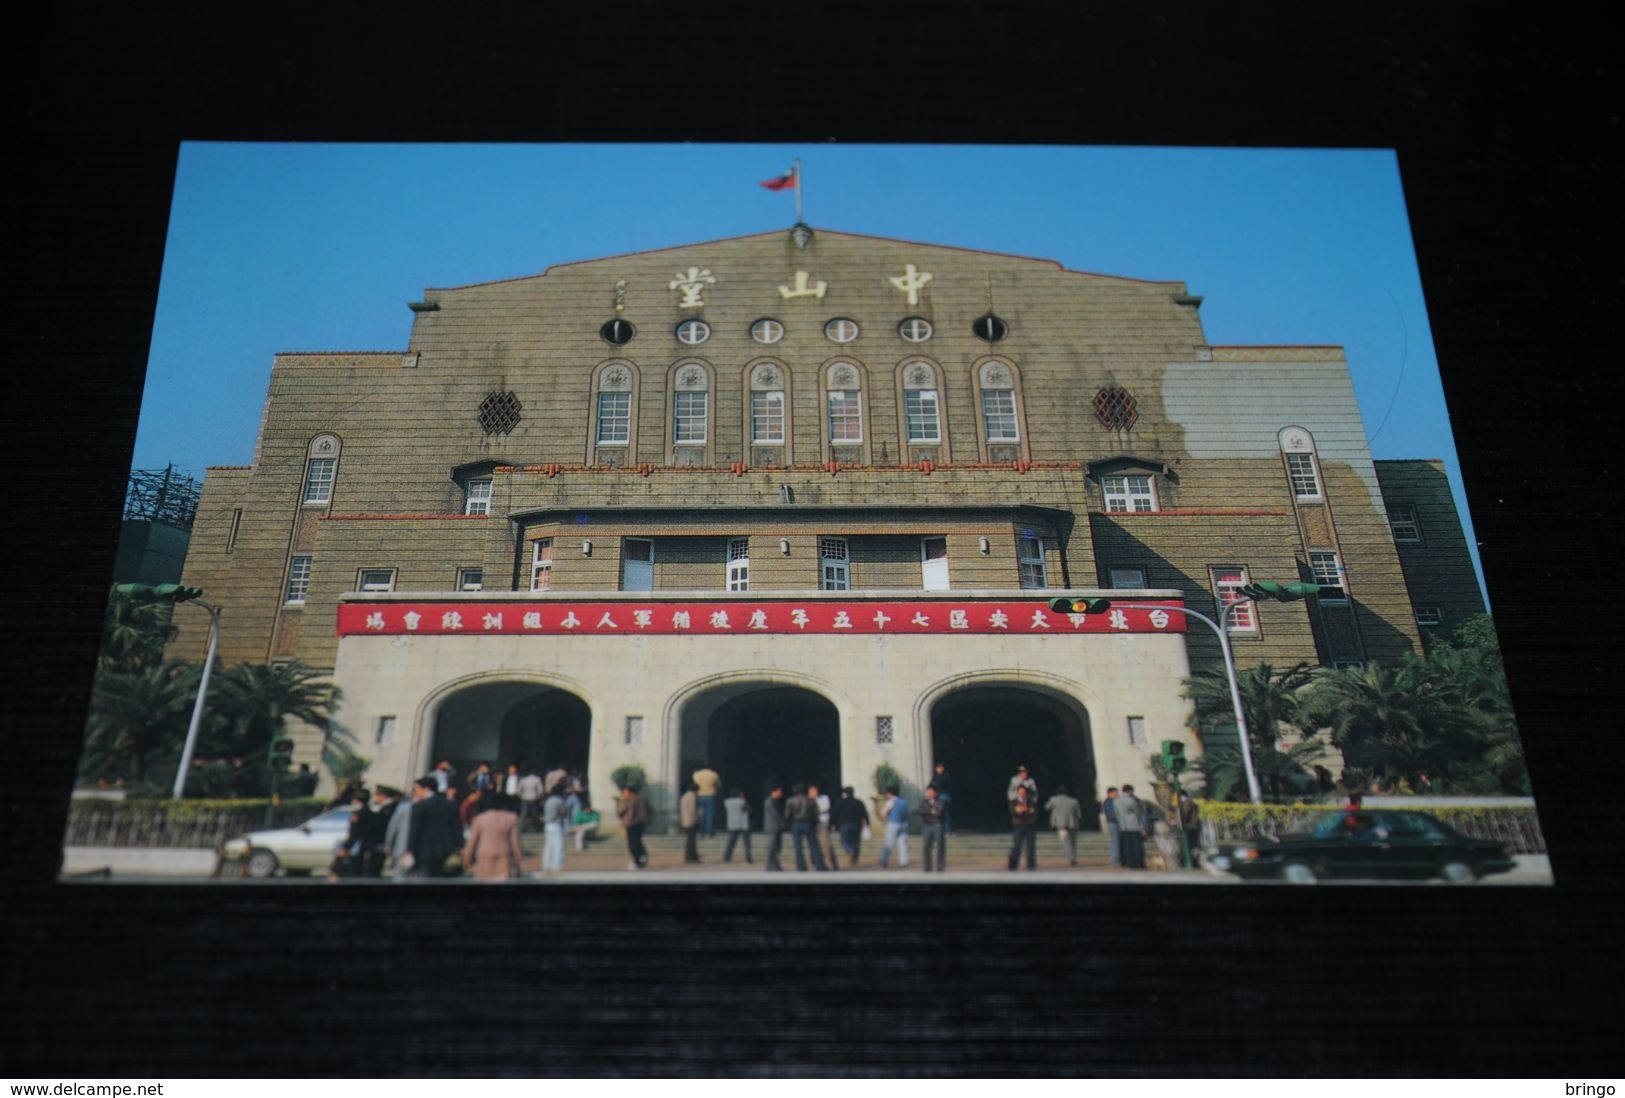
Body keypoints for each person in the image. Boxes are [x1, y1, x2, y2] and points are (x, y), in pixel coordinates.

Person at [406, 776, 464, 878]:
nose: (417, 792)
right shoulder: (448, 804)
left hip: (424, 851)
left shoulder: (419, 806)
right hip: (446, 849)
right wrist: (461, 845)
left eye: (418, 789)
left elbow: (415, 830)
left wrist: (410, 850)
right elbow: (456, 828)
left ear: (426, 789)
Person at [462, 791, 521, 881]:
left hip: (484, 855)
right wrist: (518, 860)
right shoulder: (511, 818)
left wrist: (467, 858)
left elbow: (472, 842)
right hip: (503, 856)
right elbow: (515, 842)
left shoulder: (480, 818)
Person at [356, 786, 400, 877]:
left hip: (380, 844)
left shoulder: (389, 808)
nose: (376, 797)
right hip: (377, 844)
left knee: (374, 871)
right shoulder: (383, 807)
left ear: (383, 796)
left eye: (377, 795)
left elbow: (381, 826)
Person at [784, 783, 826, 871]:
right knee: (814, 846)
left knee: (798, 847)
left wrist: (787, 825)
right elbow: (816, 814)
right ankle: (820, 865)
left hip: (796, 824)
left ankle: (801, 866)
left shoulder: (790, 800)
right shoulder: (810, 801)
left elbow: (787, 815)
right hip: (808, 823)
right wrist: (814, 824)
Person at [1045, 784, 1083, 867]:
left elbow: (1047, 807)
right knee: (1073, 842)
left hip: (1061, 824)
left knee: (1066, 842)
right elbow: (1079, 814)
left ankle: (1072, 859)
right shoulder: (1074, 801)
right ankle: (1074, 857)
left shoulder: (1054, 800)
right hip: (1073, 823)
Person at [384, 782, 415, 880]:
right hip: (422, 851)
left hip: (402, 848)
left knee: (400, 876)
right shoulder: (430, 807)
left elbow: (392, 828)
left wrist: (388, 845)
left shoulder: (403, 808)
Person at [616, 782, 650, 870]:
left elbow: (620, 811)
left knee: (632, 843)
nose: (624, 793)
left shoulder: (628, 800)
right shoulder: (643, 799)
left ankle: (636, 861)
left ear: (630, 792)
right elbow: (649, 810)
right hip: (641, 823)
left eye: (625, 791)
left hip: (631, 823)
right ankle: (643, 856)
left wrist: (619, 801)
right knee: (638, 841)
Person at [833, 786, 869, 867]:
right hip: (856, 824)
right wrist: (867, 823)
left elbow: (834, 813)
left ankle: (848, 851)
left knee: (844, 840)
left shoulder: (840, 802)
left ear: (845, 793)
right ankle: (854, 855)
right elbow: (864, 813)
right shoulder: (859, 802)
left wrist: (832, 824)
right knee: (856, 840)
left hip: (844, 824)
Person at [1114, 783, 1147, 870]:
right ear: (1130, 791)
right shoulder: (1131, 800)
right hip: (1133, 824)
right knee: (1136, 846)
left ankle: (1130, 863)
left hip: (1123, 825)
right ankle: (1138, 863)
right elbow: (1138, 811)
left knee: (1127, 846)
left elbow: (1116, 813)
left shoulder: (1116, 800)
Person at [1009, 785, 1039, 870]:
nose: (1022, 794)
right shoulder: (1013, 802)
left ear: (1026, 793)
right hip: (1018, 826)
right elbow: (1014, 812)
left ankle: (1031, 865)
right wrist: (1025, 810)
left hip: (1029, 825)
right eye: (1020, 792)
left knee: (1031, 846)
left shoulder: (1031, 802)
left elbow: (1033, 812)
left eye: (1024, 792)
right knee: (1017, 846)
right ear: (1018, 793)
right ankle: (1013, 865)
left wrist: (1024, 810)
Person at [918, 783, 947, 872]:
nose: (929, 793)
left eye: (931, 792)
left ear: (936, 793)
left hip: (937, 825)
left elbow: (939, 812)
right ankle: (927, 866)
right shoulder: (924, 802)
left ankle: (940, 866)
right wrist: (931, 811)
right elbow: (921, 811)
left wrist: (930, 812)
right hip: (927, 825)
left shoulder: (940, 801)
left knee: (940, 846)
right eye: (928, 792)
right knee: (926, 846)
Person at [541, 781, 568, 874]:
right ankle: (556, 867)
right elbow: (564, 811)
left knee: (548, 846)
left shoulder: (548, 800)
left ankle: (546, 866)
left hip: (547, 825)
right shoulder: (559, 800)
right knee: (558, 846)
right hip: (556, 825)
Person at [879, 785, 910, 869]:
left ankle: (884, 860)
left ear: (890, 793)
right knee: (902, 843)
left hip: (893, 823)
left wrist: (886, 816)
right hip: (904, 823)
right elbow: (907, 813)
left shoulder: (890, 801)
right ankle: (903, 862)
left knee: (889, 842)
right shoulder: (904, 801)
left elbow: (883, 813)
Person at [811, 783, 838, 872]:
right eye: (811, 791)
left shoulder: (824, 798)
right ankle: (816, 864)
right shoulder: (808, 800)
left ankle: (831, 863)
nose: (812, 793)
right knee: (814, 845)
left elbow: (824, 808)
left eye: (814, 791)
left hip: (823, 822)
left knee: (826, 844)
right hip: (812, 823)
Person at [722, 788, 753, 863]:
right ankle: (748, 857)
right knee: (747, 843)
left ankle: (727, 857)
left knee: (731, 842)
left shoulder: (726, 802)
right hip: (743, 824)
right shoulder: (742, 801)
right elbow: (750, 810)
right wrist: (743, 799)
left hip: (732, 824)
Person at [692, 761, 721, 839]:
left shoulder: (696, 775)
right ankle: (709, 831)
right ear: (710, 767)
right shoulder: (714, 774)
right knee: (710, 814)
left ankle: (701, 832)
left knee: (701, 814)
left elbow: (694, 784)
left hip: (700, 795)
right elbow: (719, 785)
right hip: (711, 795)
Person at [762, 783, 786, 872]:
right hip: (772, 827)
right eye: (779, 792)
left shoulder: (776, 801)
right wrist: (782, 821)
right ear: (774, 792)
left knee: (777, 847)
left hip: (777, 827)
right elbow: (775, 814)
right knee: (771, 847)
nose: (781, 794)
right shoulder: (769, 801)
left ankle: (775, 864)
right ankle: (769, 865)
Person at [1175, 790, 1201, 868]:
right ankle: (1194, 862)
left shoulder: (1187, 802)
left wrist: (1180, 822)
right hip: (1193, 826)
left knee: (1190, 845)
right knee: (1194, 845)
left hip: (1190, 827)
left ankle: (1192, 862)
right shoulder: (1190, 802)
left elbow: (1185, 814)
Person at [678, 783, 702, 864]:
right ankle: (691, 857)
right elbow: (692, 810)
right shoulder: (692, 797)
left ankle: (691, 856)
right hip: (691, 820)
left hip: (685, 820)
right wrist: (696, 819)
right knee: (691, 840)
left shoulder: (684, 796)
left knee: (689, 840)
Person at [517, 766, 544, 833]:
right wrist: (538, 797)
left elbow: (518, 790)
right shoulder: (537, 779)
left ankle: (520, 829)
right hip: (533, 798)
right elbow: (540, 790)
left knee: (523, 815)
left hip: (525, 798)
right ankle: (537, 828)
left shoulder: (523, 780)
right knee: (535, 815)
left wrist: (521, 796)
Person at [930, 762, 954, 832]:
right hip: (937, 796)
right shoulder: (935, 776)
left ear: (943, 768)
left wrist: (936, 788)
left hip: (944, 795)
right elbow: (931, 785)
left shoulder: (946, 776)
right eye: (937, 768)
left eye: (940, 768)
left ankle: (947, 829)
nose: (939, 769)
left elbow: (941, 785)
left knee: (944, 813)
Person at [1102, 786, 1123, 867]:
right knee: (1115, 842)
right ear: (1111, 793)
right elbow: (1111, 813)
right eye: (1115, 793)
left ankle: (1116, 859)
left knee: (1116, 841)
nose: (1117, 794)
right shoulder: (1109, 802)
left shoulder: (1111, 801)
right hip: (1114, 823)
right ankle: (1115, 860)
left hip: (1114, 822)